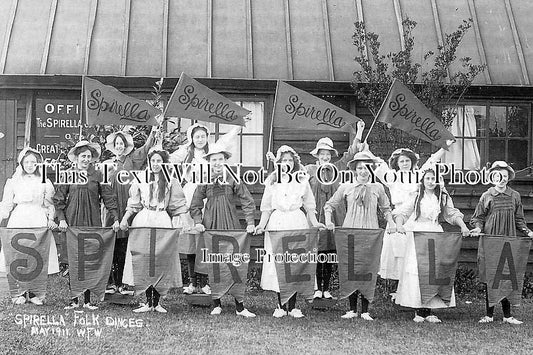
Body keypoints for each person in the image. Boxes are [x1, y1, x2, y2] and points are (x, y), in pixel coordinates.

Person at [170, 123, 241, 295]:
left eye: (202, 136)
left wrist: (237, 127)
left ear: (206, 137)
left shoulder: (213, 151)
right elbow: (167, 158)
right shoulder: (186, 152)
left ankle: (206, 282)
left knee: (206, 242)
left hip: (207, 198)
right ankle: (193, 282)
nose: (200, 139)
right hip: (190, 197)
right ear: (192, 138)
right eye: (197, 137)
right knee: (191, 244)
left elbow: (226, 141)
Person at [254, 145, 324, 318]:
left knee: (295, 263)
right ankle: (280, 305)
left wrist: (315, 223)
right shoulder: (272, 180)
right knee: (279, 263)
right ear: (278, 162)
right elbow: (266, 207)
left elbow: (309, 205)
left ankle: (292, 306)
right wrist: (261, 225)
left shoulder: (302, 179)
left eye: (290, 160)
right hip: (278, 222)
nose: (287, 163)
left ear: (295, 162)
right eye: (283, 160)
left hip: (296, 221)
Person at [324, 151, 395, 321]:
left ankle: (365, 310)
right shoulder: (346, 187)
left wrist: (391, 222)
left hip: (370, 234)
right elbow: (330, 205)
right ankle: (351, 309)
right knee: (351, 269)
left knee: (366, 270)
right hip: (350, 233)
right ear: (355, 170)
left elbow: (386, 209)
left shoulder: (378, 188)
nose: (364, 171)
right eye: (360, 168)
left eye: (367, 168)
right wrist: (328, 221)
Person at [394, 168, 470, 323]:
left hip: (435, 233)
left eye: (433, 179)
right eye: (427, 178)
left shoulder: (442, 196)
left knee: (434, 271)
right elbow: (403, 213)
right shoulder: (416, 196)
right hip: (419, 235)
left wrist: (463, 226)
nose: (430, 181)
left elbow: (451, 214)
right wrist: (400, 225)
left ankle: (429, 310)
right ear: (422, 180)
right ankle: (418, 310)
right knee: (418, 270)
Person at [189, 144, 256, 317]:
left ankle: (239, 306)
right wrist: (198, 222)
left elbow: (247, 200)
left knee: (234, 262)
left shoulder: (233, 177)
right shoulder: (204, 179)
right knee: (214, 263)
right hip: (211, 225)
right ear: (209, 162)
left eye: (220, 159)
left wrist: (249, 222)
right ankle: (216, 303)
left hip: (230, 224)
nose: (217, 163)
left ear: (225, 161)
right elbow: (195, 204)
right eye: (214, 160)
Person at [374, 141, 454, 285]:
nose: (405, 163)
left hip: (416, 217)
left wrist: (444, 146)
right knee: (399, 253)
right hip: (400, 216)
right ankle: (399, 290)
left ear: (412, 162)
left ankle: (414, 287)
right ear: (397, 164)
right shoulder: (392, 177)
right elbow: (378, 164)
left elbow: (432, 161)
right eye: (402, 161)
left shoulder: (418, 175)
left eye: (407, 161)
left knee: (415, 255)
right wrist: (366, 151)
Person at [120, 146, 188, 313]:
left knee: (159, 259)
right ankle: (146, 301)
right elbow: (134, 203)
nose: (156, 164)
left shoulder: (171, 180)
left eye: (159, 161)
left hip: (162, 220)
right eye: (153, 161)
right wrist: (124, 219)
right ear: (149, 162)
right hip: (144, 219)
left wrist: (185, 222)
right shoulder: (141, 178)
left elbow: (178, 205)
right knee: (144, 259)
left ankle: (156, 302)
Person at [54, 140, 120, 310]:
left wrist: (116, 218)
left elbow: (109, 198)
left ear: (92, 159)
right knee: (74, 259)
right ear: (76, 157)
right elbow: (59, 200)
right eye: (82, 156)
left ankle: (88, 300)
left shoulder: (98, 175)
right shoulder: (68, 174)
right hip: (73, 221)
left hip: (92, 221)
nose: (85, 159)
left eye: (88, 156)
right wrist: (61, 218)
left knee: (89, 258)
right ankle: (74, 300)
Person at [305, 120, 365, 299]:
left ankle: (327, 288)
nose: (325, 157)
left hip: (335, 216)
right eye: (322, 154)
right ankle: (317, 289)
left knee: (330, 252)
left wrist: (360, 131)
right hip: (316, 216)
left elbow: (352, 153)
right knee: (317, 252)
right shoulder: (309, 170)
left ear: (331, 155)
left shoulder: (337, 168)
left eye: (327, 154)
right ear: (317, 155)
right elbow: (292, 173)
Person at [470, 161, 533, 325]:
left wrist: (528, 232)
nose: (502, 179)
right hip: (490, 241)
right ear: (493, 177)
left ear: (508, 178)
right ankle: (489, 315)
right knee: (492, 276)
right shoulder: (487, 195)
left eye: (505, 176)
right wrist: (477, 228)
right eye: (498, 175)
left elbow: (519, 220)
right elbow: (478, 218)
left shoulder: (515, 196)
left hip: (508, 241)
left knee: (507, 275)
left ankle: (507, 316)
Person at [0, 147, 58, 305]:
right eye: (27, 162)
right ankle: (19, 293)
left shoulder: (44, 180)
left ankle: (34, 293)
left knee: (36, 255)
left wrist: (50, 218)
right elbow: (6, 205)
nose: (30, 165)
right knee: (19, 255)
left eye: (33, 162)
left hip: (37, 217)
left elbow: (49, 204)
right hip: (19, 218)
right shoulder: (14, 181)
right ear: (21, 163)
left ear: (38, 163)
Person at [103, 126, 157, 295]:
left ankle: (124, 283)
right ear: (113, 146)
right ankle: (112, 282)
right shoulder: (107, 164)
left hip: (127, 207)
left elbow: (147, 148)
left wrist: (154, 131)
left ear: (125, 145)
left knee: (125, 245)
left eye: (122, 143)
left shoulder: (133, 159)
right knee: (112, 245)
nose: (119, 146)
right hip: (111, 208)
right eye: (116, 143)